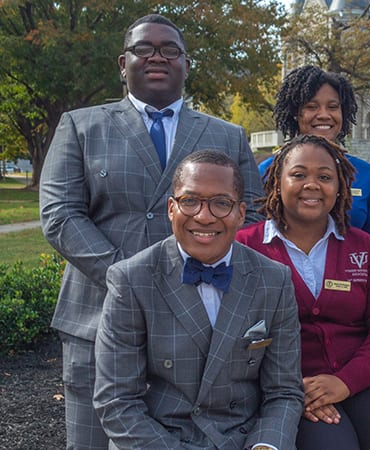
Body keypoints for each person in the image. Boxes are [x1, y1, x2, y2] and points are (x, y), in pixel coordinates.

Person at [39, 14, 263, 449]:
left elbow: (250, 213)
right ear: (124, 64)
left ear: (186, 64)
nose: (157, 56)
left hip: (199, 316)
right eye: (145, 49)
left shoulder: (227, 135)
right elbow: (60, 213)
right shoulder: (80, 126)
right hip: (97, 313)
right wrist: (129, 281)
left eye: (170, 50)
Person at [93, 151, 303, 450]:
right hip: (157, 439)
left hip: (245, 439)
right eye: (190, 201)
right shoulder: (130, 280)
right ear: (171, 208)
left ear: (241, 213)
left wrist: (266, 445)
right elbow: (117, 402)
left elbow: (283, 392)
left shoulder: (274, 279)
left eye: (221, 203)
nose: (204, 216)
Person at [237, 135, 370, 450]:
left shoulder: (366, 249)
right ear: (276, 183)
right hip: (293, 387)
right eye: (298, 175)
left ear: (340, 186)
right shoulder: (245, 248)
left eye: (324, 177)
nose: (311, 184)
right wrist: (289, 388)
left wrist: (345, 382)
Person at [259, 65, 370, 243]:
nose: (324, 115)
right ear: (295, 113)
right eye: (312, 106)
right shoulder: (268, 171)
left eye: (333, 107)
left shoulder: (365, 174)